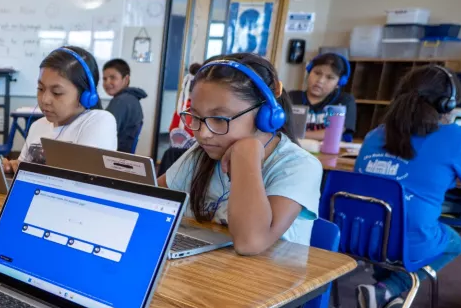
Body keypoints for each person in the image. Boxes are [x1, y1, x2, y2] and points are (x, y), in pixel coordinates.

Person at [158, 53, 322, 254]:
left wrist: (247, 154)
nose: (203, 133)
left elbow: (250, 242)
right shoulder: (202, 154)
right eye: (196, 117)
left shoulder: (299, 166)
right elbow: (152, 199)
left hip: (271, 280)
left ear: (265, 115)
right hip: (211, 273)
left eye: (219, 119)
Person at [352, 65, 461, 308]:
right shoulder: (456, 138)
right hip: (407, 243)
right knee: (453, 242)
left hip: (361, 238)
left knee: (400, 226)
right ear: (447, 103)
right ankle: (388, 290)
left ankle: (383, 297)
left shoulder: (375, 134)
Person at [3, 46, 117, 173]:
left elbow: (81, 180)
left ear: (86, 96)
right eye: (40, 89)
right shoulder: (38, 126)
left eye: (57, 93)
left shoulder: (100, 121)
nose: (45, 99)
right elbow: (25, 170)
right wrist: (16, 167)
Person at [288, 53, 358, 141]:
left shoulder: (344, 101)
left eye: (329, 77)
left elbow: (334, 133)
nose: (320, 81)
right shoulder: (291, 97)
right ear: (309, 72)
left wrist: (297, 135)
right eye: (317, 73)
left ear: (339, 83)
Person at [102, 58, 146, 153]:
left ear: (126, 79)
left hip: (114, 156)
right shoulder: (131, 98)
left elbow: (103, 133)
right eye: (104, 79)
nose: (107, 82)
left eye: (113, 78)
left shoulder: (121, 102)